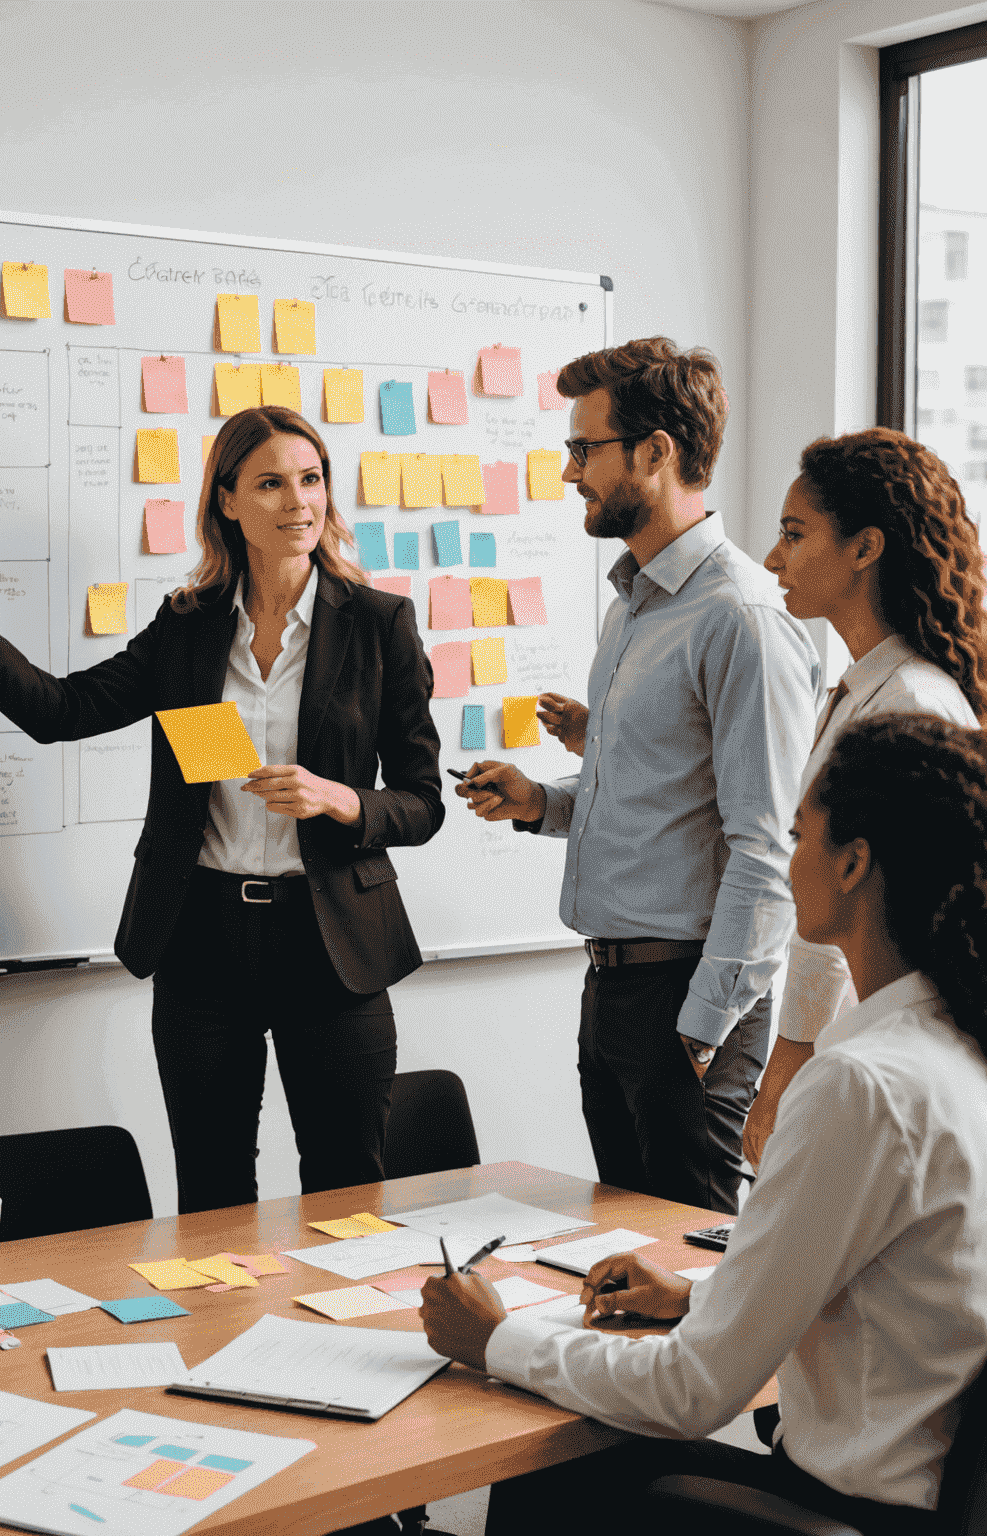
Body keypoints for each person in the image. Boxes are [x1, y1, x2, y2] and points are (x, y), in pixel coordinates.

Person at [421, 714, 987, 1534]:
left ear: (854, 863)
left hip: (847, 1512)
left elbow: (690, 1393)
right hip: (929, 1498)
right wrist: (696, 1295)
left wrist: (495, 1340)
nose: (782, 863)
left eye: (798, 837)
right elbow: (883, 1273)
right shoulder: (950, 1046)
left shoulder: (860, 1086)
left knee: (546, 1469)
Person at [0, 405, 443, 1214]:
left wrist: (339, 798)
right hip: (203, 941)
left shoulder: (379, 625)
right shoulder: (188, 628)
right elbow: (64, 711)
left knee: (345, 1189)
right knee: (213, 1191)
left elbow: (423, 804)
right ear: (227, 502)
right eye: (271, 483)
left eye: (311, 479)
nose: (299, 502)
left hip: (331, 947)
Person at [457, 338, 820, 1214]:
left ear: (657, 452)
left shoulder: (739, 618)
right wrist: (543, 802)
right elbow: (659, 796)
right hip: (613, 990)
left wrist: (701, 1032)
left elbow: (765, 848)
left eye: (586, 449)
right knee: (619, 1253)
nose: (570, 471)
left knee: (692, 1278)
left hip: (687, 997)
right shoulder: (631, 608)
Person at [738, 429, 985, 1166]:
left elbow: (866, 908)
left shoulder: (911, 700)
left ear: (865, 547)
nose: (774, 559)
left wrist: (788, 1063)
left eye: (794, 534)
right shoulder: (861, 687)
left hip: (880, 1054)